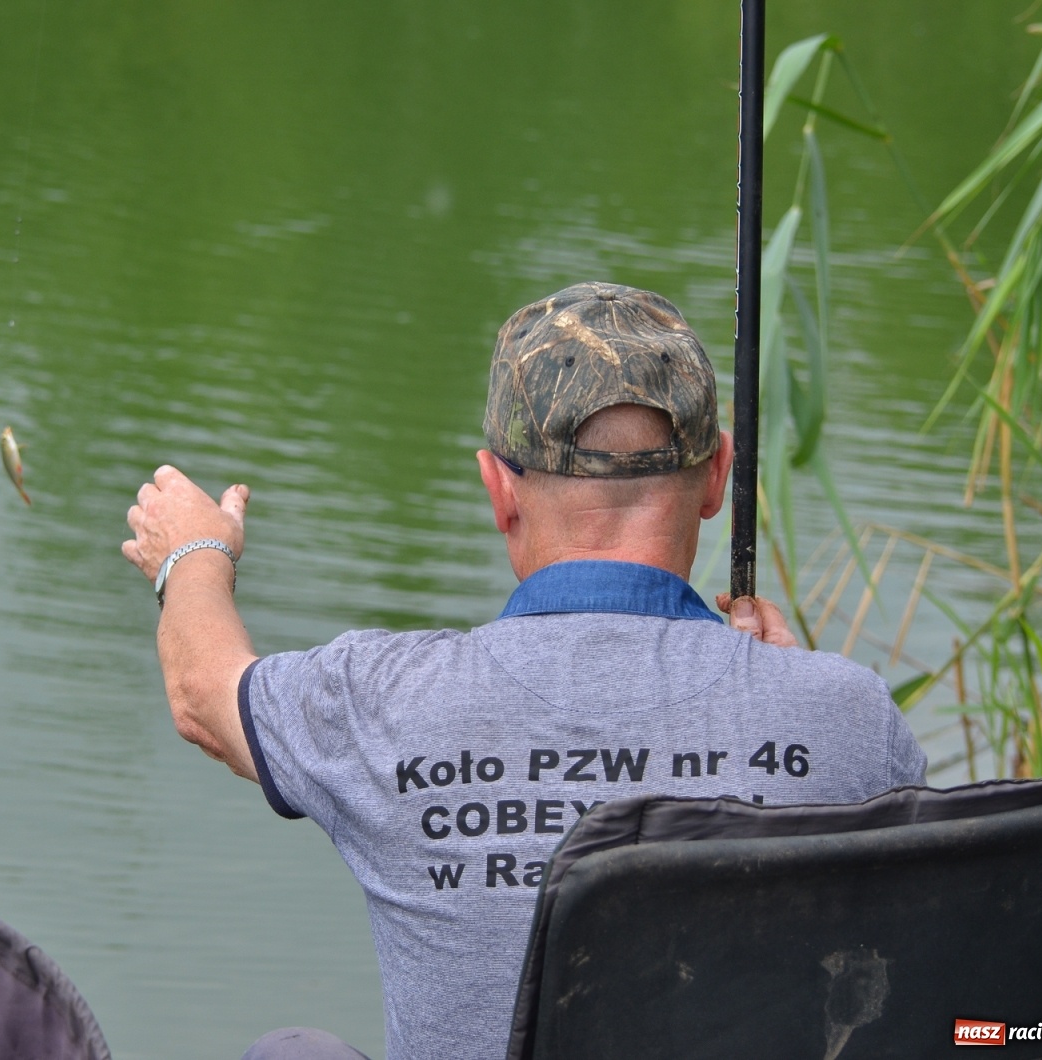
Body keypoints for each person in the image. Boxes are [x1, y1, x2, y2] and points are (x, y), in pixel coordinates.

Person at [121, 282, 927, 1060]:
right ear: (717, 476)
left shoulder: (384, 699)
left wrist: (193, 553)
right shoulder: (849, 717)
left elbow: (204, 692)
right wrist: (796, 694)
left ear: (499, 490)